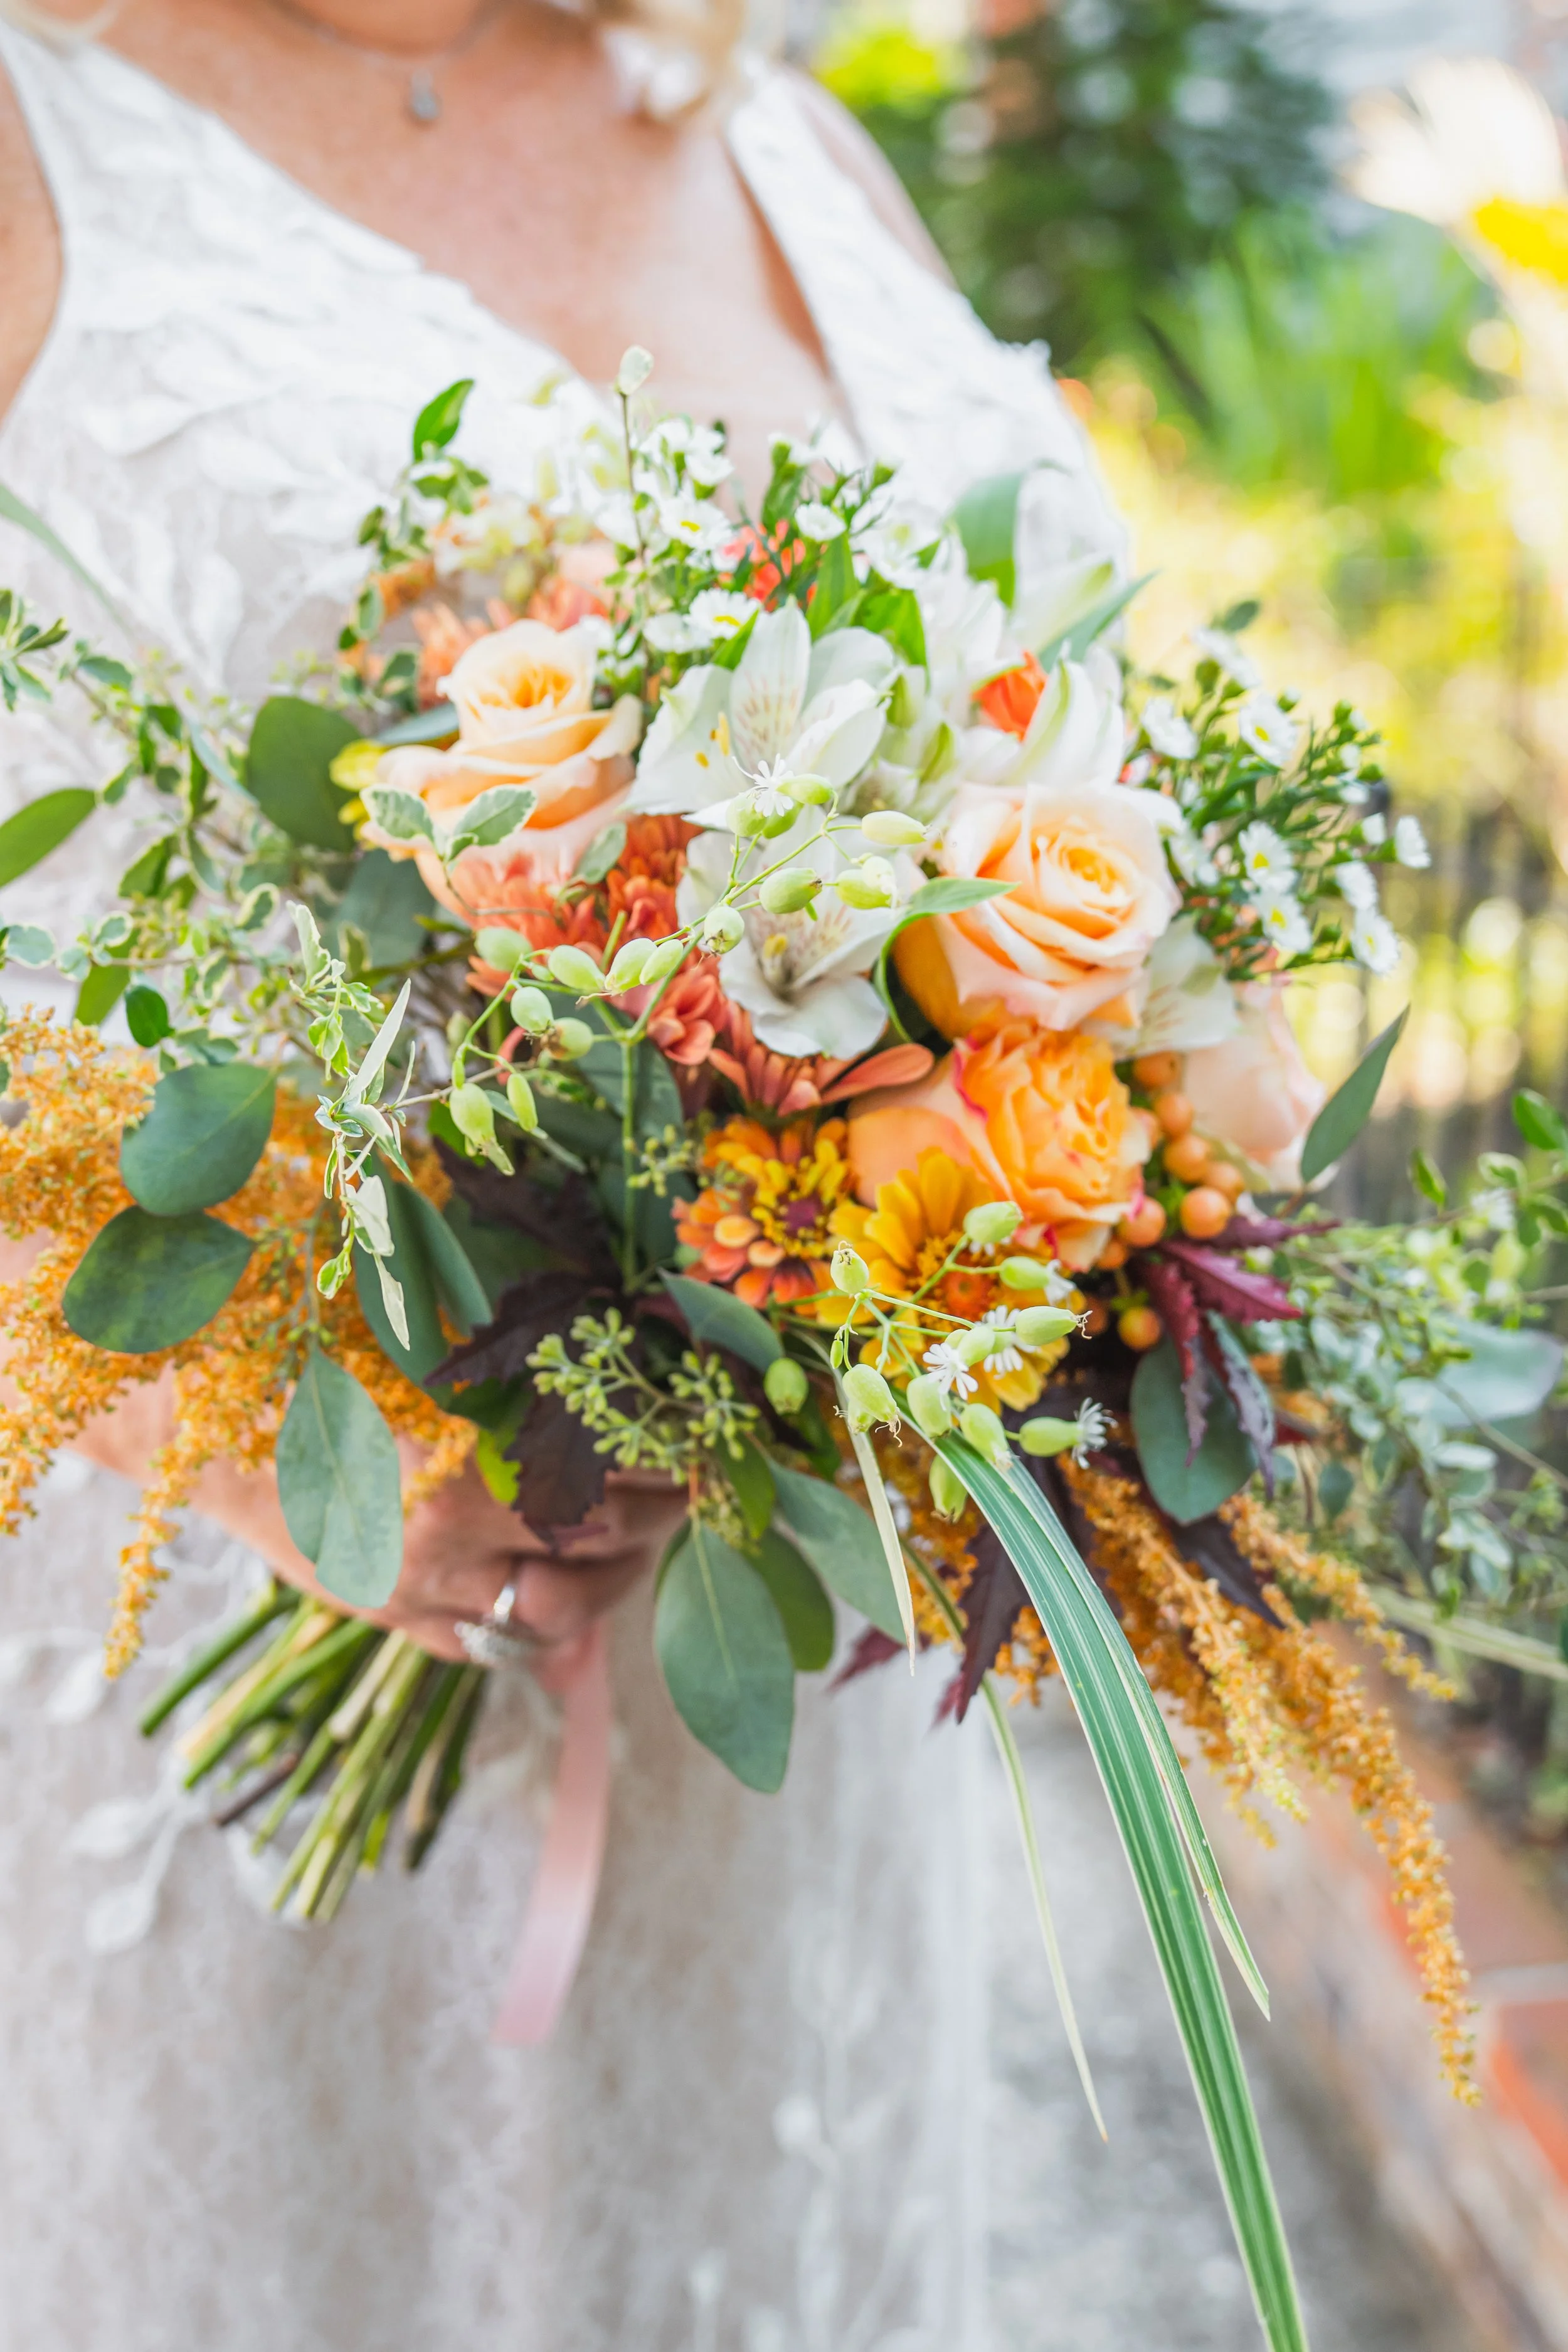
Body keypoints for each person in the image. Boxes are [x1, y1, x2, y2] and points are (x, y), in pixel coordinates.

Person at [0, 4, 1124, 2343]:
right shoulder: (48, 133)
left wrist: (1055, 1278)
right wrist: (202, 1421)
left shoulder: (782, 136)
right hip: (220, 1757)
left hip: (779, 1818)